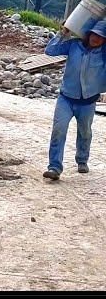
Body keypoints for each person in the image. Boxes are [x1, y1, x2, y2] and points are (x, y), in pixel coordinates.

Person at [42, 20, 106, 180]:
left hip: (88, 101)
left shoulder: (104, 53)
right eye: (94, 34)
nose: (96, 38)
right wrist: (63, 33)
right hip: (66, 98)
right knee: (59, 130)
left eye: (101, 37)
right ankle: (54, 167)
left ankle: (82, 159)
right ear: (89, 33)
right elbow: (50, 50)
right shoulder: (74, 45)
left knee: (85, 132)